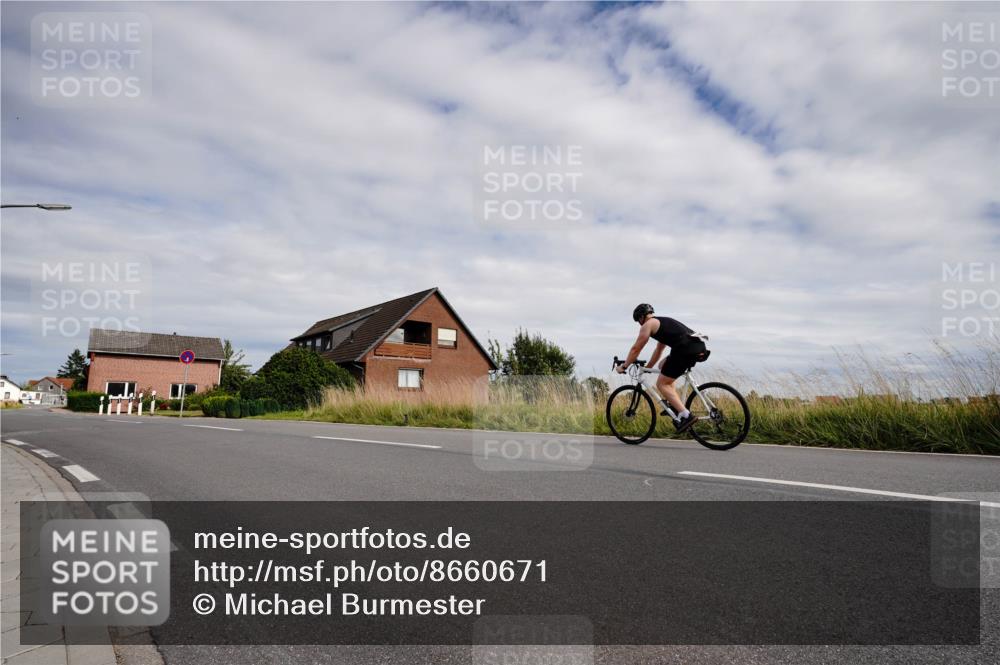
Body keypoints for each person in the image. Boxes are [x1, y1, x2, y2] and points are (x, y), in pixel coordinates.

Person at [616, 303, 708, 432]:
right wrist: (648, 368)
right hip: (697, 346)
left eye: (638, 321)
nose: (639, 324)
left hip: (684, 350)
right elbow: (659, 350)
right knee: (662, 366)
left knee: (662, 384)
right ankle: (676, 406)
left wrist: (624, 366)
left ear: (642, 317)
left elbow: (636, 349)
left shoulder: (648, 325)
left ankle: (686, 416)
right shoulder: (661, 323)